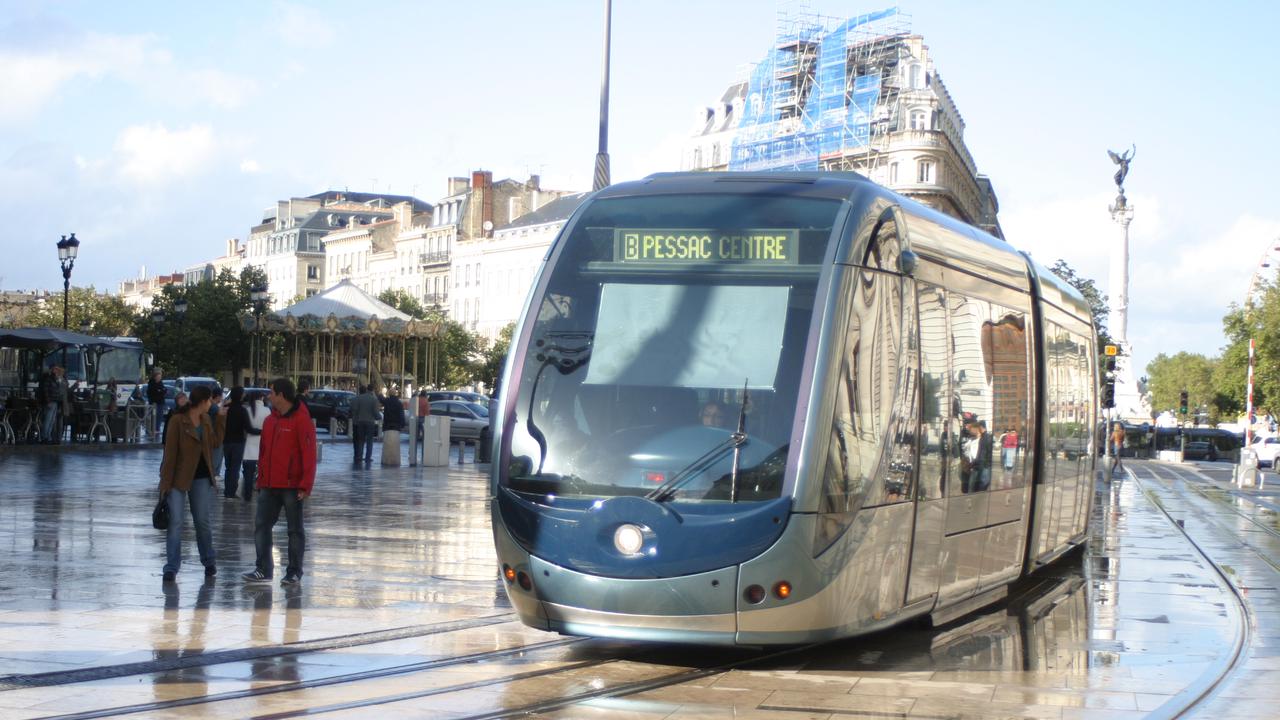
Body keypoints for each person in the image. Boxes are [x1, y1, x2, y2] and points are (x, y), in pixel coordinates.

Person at [243, 378, 316, 586]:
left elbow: (308, 454)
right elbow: (264, 452)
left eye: (272, 392)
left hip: (292, 485)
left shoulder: (301, 420)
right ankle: (263, 568)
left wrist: (305, 485)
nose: (269, 396)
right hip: (269, 484)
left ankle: (294, 571)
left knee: (294, 530)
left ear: (282, 395)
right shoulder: (270, 420)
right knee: (261, 525)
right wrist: (261, 479)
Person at [157, 386, 225, 582]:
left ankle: (208, 560)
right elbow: (170, 454)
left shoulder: (205, 420)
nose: (212, 404)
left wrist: (220, 418)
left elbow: (215, 442)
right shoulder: (178, 420)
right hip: (178, 477)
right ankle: (171, 567)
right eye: (210, 401)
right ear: (203, 401)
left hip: (201, 477)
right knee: (176, 522)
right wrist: (165, 484)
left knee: (202, 520)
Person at [222, 387, 250, 499]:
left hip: (226, 441)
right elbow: (248, 427)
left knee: (228, 467)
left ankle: (227, 489)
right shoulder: (243, 410)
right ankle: (231, 491)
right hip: (238, 441)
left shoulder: (226, 408)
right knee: (235, 467)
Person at [240, 392, 268, 502]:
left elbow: (246, 428)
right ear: (262, 398)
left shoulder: (247, 410)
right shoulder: (267, 411)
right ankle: (263, 496)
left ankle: (247, 496)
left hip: (248, 446)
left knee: (248, 475)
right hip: (263, 445)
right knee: (262, 474)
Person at [349, 384, 381, 464]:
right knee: (369, 440)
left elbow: (356, 410)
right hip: (370, 422)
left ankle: (359, 456)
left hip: (360, 421)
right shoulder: (374, 399)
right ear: (372, 390)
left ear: (367, 389)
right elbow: (376, 413)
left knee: (361, 440)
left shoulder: (360, 398)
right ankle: (368, 457)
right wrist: (379, 417)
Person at [380, 388, 406, 466]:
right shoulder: (399, 403)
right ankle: (394, 460)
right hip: (396, 426)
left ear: (389, 394)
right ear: (395, 394)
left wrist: (381, 393)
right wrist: (402, 424)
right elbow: (402, 415)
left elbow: (380, 398)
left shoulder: (387, 401)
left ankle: (386, 460)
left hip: (387, 425)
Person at [39, 366, 64, 443]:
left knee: (51, 420)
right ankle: (44, 437)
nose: (56, 371)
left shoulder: (55, 379)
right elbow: (45, 390)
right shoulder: (49, 379)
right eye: (55, 369)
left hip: (55, 401)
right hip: (51, 401)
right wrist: (48, 401)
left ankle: (47, 436)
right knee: (48, 420)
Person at [966, 420, 992, 493]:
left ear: (981, 427)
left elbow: (987, 453)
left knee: (982, 484)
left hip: (983, 465)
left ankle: (978, 499)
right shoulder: (982, 437)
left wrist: (986, 464)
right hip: (979, 464)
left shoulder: (986, 438)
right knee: (978, 484)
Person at [208, 388, 225, 477]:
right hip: (216, 436)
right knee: (216, 458)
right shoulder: (214, 407)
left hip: (212, 435)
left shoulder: (211, 406)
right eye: (221, 396)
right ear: (218, 396)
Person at [146, 370, 167, 438]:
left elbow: (164, 390)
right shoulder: (152, 383)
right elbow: (153, 392)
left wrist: (160, 391)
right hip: (154, 403)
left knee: (159, 416)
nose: (159, 378)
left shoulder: (160, 383)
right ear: (155, 377)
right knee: (153, 416)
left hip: (160, 402)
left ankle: (157, 429)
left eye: (160, 377)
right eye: (158, 377)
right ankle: (152, 429)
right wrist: (160, 391)